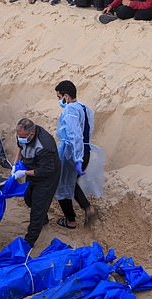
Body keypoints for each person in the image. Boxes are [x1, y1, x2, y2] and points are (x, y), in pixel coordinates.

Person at [53, 80, 97, 230]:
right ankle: (87, 208)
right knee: (71, 182)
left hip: (73, 152)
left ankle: (70, 220)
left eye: (59, 97)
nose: (59, 101)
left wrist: (77, 158)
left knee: (62, 184)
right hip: (86, 150)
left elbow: (75, 135)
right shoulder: (84, 108)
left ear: (66, 96)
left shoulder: (70, 110)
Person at [12, 118, 60, 247]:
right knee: (28, 199)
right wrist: (15, 164)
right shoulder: (23, 135)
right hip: (32, 169)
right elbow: (20, 146)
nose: (19, 138)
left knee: (37, 210)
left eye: (22, 136)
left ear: (31, 134)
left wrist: (24, 173)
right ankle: (43, 217)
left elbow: (45, 170)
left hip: (46, 177)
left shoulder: (45, 145)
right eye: (18, 136)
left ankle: (29, 242)